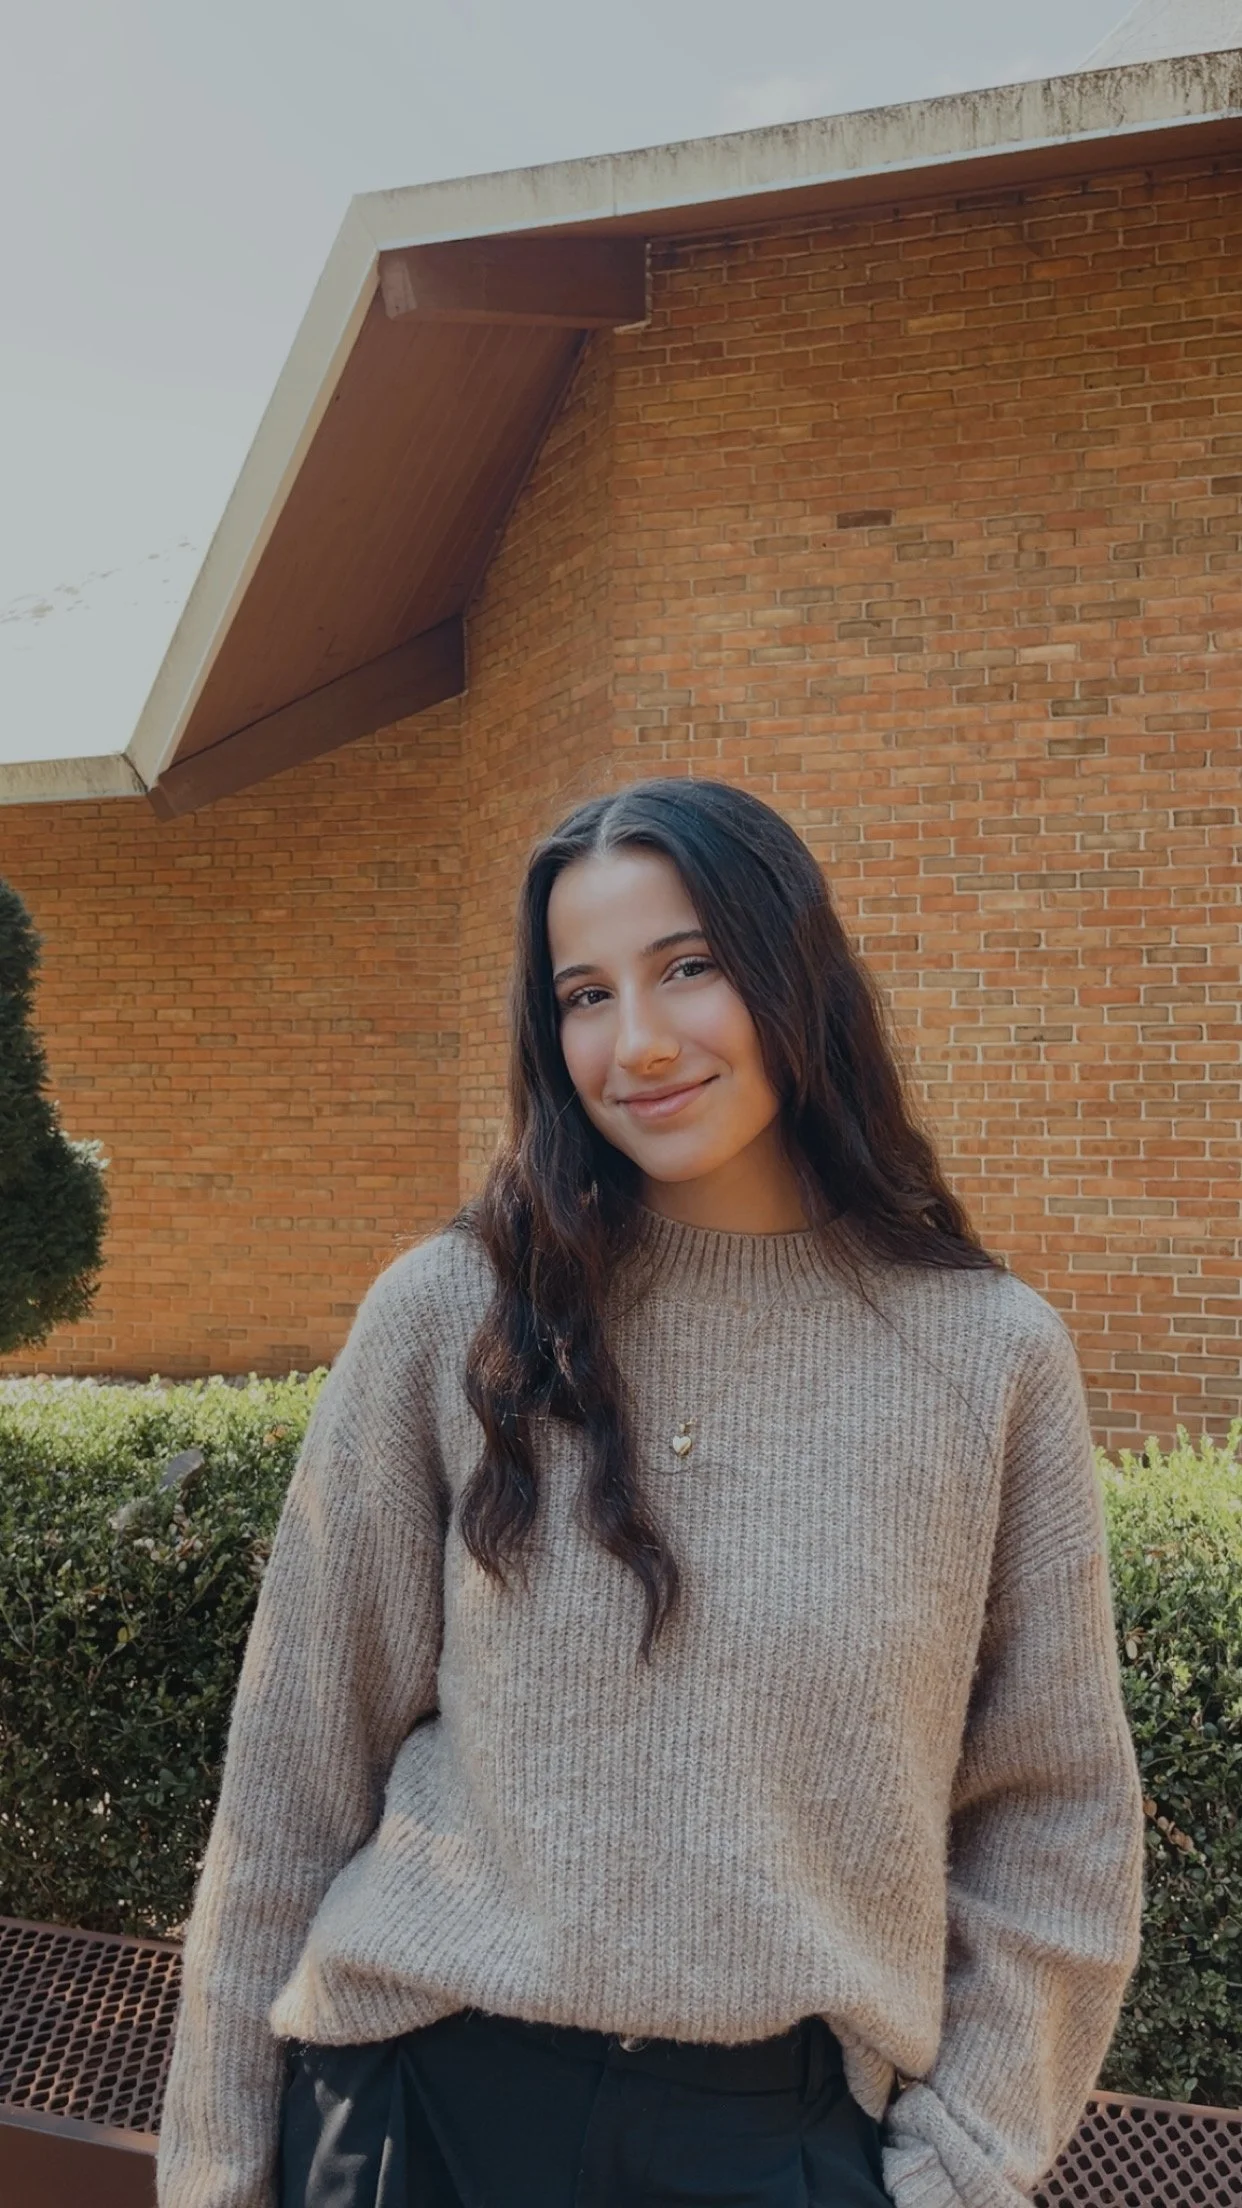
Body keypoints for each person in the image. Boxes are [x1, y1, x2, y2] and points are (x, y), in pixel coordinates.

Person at [155, 775, 1146, 2208]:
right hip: (414, 2113)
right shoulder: (454, 1316)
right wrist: (213, 2175)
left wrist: (960, 2168)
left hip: (769, 2139)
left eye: (687, 968)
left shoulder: (983, 1358)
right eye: (582, 993)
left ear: (792, 969)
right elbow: (290, 1783)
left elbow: (1053, 1821)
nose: (636, 1042)